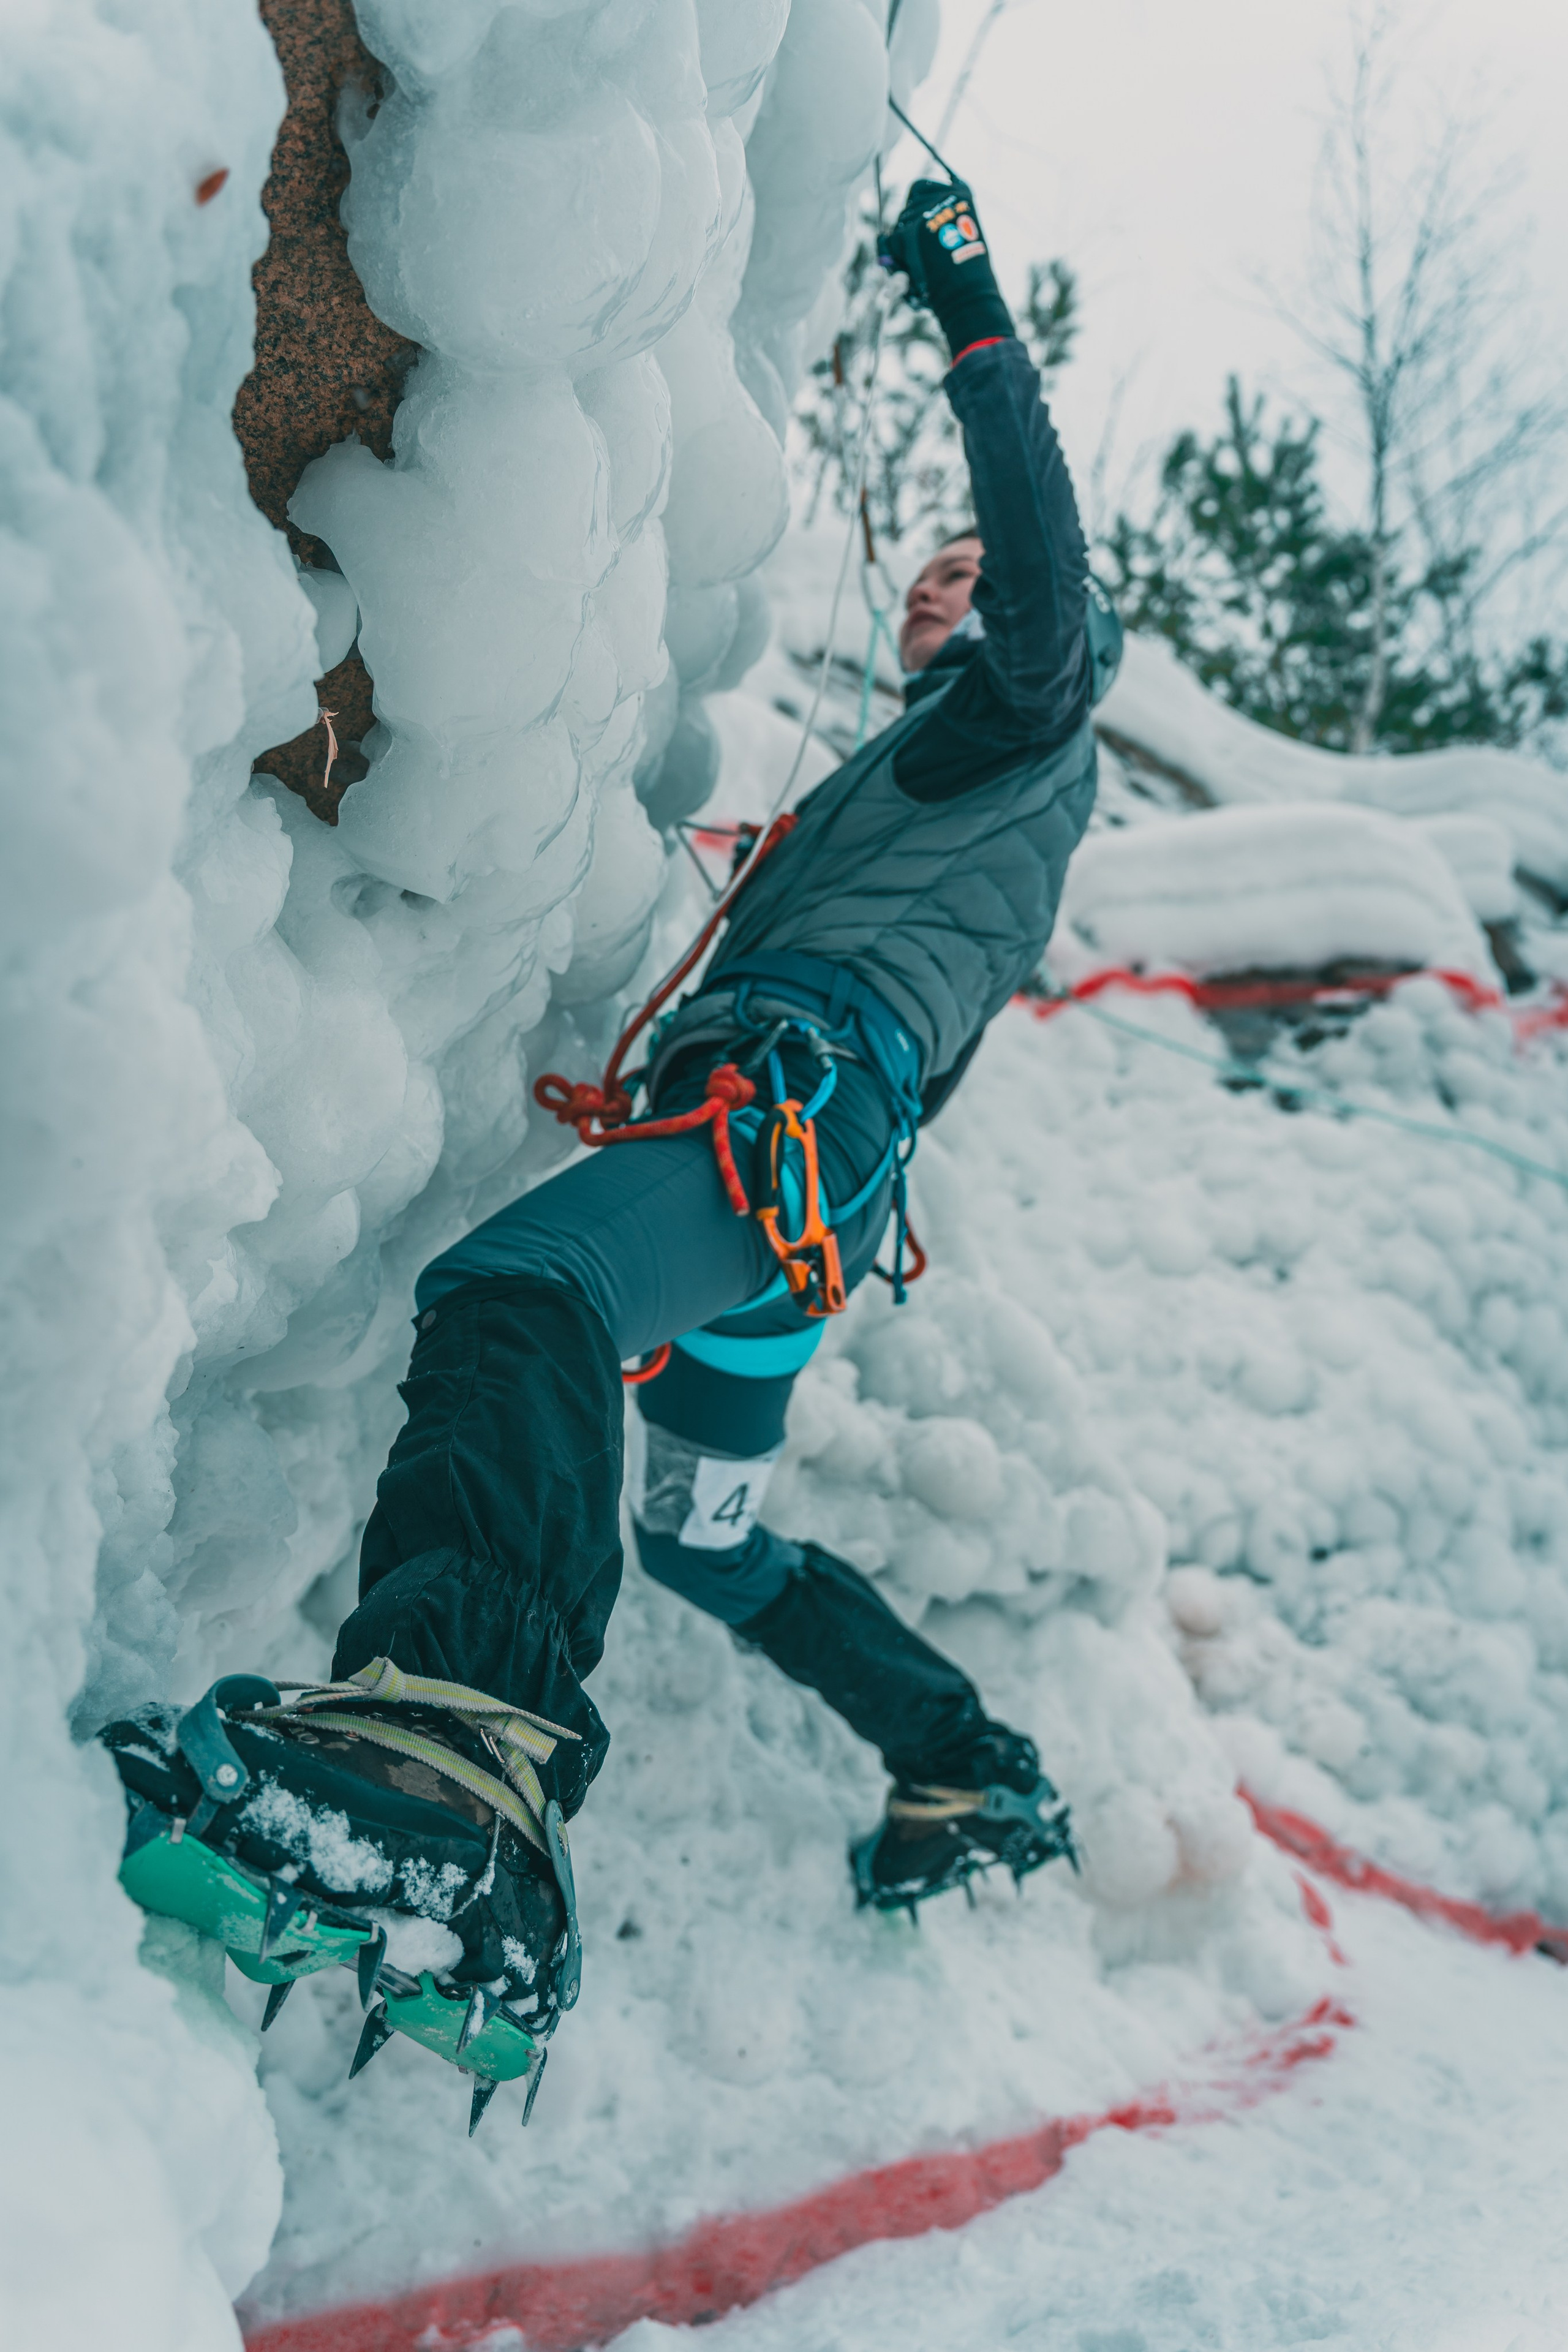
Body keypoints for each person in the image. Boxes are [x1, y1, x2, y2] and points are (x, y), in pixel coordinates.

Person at [102, 177, 1123, 2105]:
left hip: (781, 1140)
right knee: (699, 1540)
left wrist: (972, 310)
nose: (938, 589)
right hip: (806, 1204)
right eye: (926, 575)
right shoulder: (946, 803)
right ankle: (963, 1754)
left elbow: (1051, 589)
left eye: (962, 578)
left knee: (525, 1291)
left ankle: (457, 1743)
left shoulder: (1024, 718)